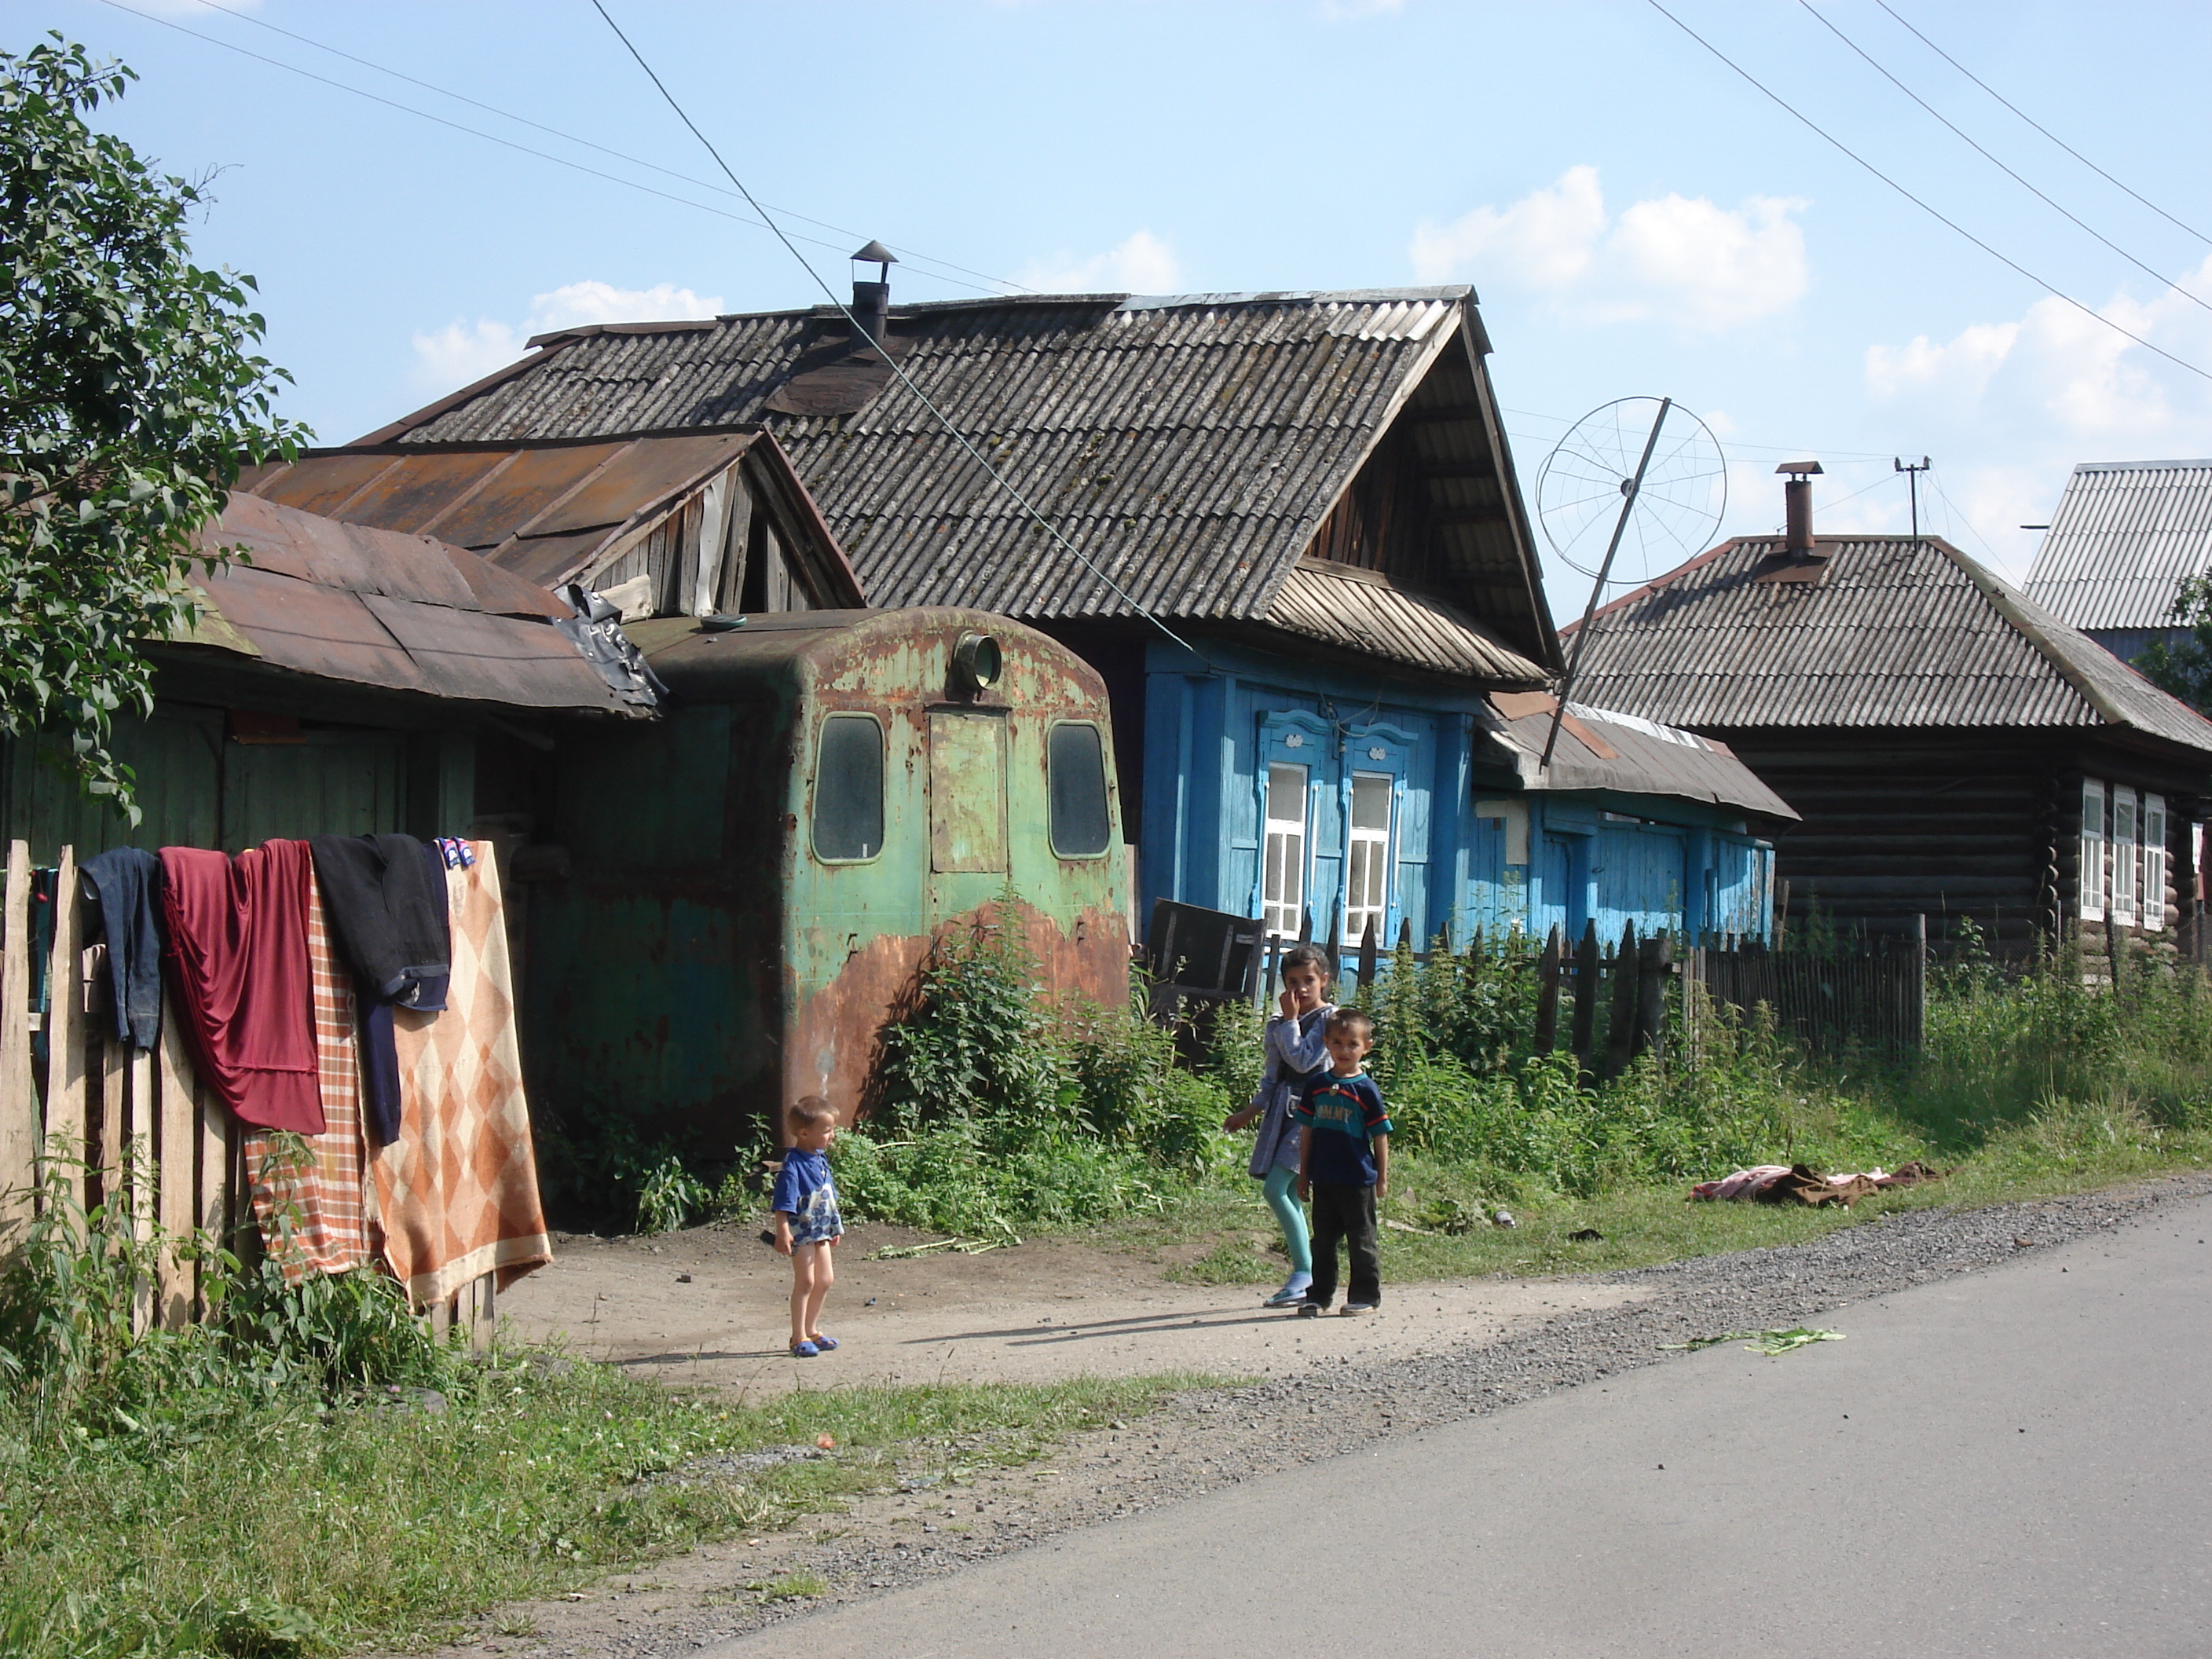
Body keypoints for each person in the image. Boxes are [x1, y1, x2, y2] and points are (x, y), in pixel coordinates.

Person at [1223, 943, 1334, 1308]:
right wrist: (1249, 1112)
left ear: (1325, 981)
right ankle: (1306, 1271)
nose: (1300, 989)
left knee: (1276, 1189)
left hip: (1314, 1114)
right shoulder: (1279, 1023)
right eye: (1292, 982)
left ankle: (1305, 1272)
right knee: (1282, 1191)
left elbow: (1304, 1062)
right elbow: (1273, 1075)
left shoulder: (1329, 1022)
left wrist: (1290, 1021)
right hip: (1281, 1115)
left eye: (1308, 980)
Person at [1294, 1008, 1391, 1317]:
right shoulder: (1317, 1086)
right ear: (1326, 1043)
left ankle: (1365, 1295)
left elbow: (1380, 1136)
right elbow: (1307, 1132)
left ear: (1366, 1047)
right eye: (1337, 1043)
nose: (1344, 1050)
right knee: (1322, 1242)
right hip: (1324, 1178)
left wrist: (1382, 1177)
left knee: (1361, 1241)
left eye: (1352, 1044)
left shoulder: (1366, 1090)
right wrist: (1303, 1174)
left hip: (1357, 1179)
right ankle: (1319, 1296)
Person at [771, 1095, 844, 1357]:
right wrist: (783, 1230)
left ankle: (812, 1330)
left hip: (821, 1230)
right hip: (801, 1232)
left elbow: (828, 1194)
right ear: (803, 1133)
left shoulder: (819, 1158)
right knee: (806, 1281)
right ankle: (797, 1336)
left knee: (825, 1279)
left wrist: (835, 1227)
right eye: (826, 1131)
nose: (832, 1135)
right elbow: (784, 1202)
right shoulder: (793, 1165)